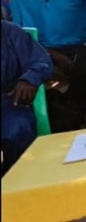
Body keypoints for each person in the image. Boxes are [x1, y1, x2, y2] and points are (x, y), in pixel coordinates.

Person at [10, 0, 86, 132]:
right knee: (25, 72)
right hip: (36, 47)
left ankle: (69, 107)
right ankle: (70, 115)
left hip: (75, 45)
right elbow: (21, 34)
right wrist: (54, 56)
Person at [1, 20, 53, 176]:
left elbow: (41, 61)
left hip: (7, 102)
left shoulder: (9, 32)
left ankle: (14, 182)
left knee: (16, 129)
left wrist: (28, 79)